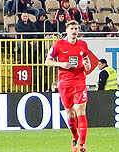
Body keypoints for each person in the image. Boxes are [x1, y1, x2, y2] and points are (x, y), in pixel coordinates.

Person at [47, 21, 96, 152]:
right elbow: (48, 61)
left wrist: (87, 66)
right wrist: (61, 64)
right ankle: (75, 136)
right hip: (64, 83)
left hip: (79, 81)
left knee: (81, 110)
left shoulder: (83, 45)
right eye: (72, 29)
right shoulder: (59, 44)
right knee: (70, 112)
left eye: (76, 29)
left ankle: (83, 144)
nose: (74, 31)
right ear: (67, 31)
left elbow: (88, 65)